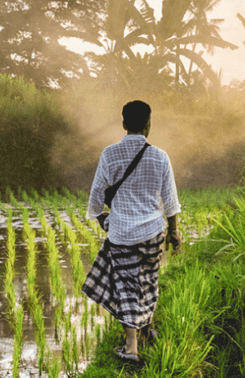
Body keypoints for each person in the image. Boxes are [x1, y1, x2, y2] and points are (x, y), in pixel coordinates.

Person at [81, 100, 183, 363]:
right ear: (148, 124)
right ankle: (145, 332)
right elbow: (170, 201)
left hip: (122, 235)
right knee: (149, 280)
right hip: (152, 232)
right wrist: (174, 233)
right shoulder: (160, 156)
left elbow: (95, 199)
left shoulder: (109, 154)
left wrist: (101, 218)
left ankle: (132, 346)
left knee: (127, 287)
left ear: (124, 124)